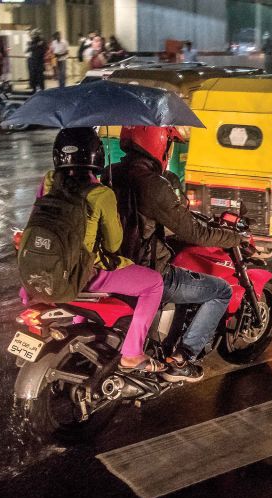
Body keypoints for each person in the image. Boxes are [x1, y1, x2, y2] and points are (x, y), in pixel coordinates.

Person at [104, 126, 243, 383]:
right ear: (158, 143)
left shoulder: (110, 173)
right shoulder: (153, 184)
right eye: (168, 144)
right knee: (221, 290)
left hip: (112, 267)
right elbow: (194, 233)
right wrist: (233, 237)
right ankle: (183, 359)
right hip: (145, 270)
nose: (169, 150)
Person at [39, 127, 166, 373]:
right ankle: (132, 354)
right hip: (84, 273)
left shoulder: (48, 181)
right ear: (97, 156)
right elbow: (113, 244)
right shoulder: (100, 193)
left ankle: (81, 333)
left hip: (46, 268)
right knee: (154, 283)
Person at [25, 29, 46, 93]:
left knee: (40, 77)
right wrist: (37, 45)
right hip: (33, 61)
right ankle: (34, 89)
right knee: (33, 77)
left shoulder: (42, 41)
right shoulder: (33, 42)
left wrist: (37, 46)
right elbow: (28, 49)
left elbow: (44, 49)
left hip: (40, 62)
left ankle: (42, 90)